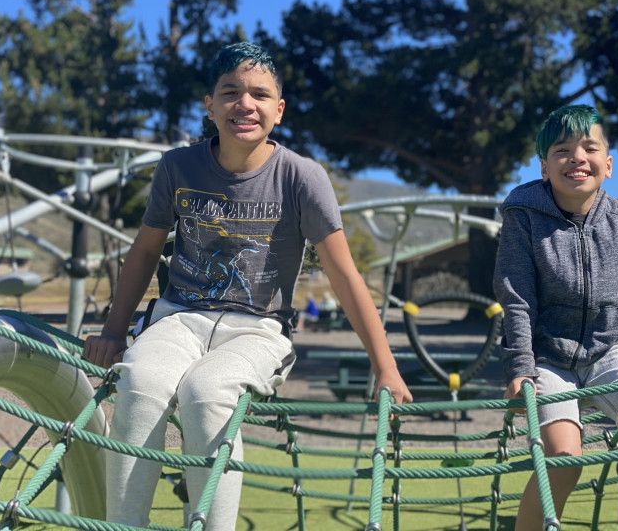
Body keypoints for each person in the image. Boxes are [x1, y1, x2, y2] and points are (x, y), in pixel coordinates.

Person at [83, 41, 412, 529]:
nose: (245, 103)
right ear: (210, 106)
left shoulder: (301, 177)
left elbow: (344, 274)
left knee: (206, 391)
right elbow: (146, 250)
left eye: (259, 94)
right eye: (231, 91)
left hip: (257, 328)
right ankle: (125, 523)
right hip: (179, 316)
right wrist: (113, 331)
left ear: (278, 111)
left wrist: (385, 366)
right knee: (140, 379)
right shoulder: (178, 166)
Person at [492, 105, 618, 531]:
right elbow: (517, 299)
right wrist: (520, 368)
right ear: (544, 167)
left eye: (588, 147)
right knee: (563, 458)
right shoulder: (523, 218)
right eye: (562, 150)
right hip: (547, 356)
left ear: (608, 164)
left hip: (611, 348)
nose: (577, 157)